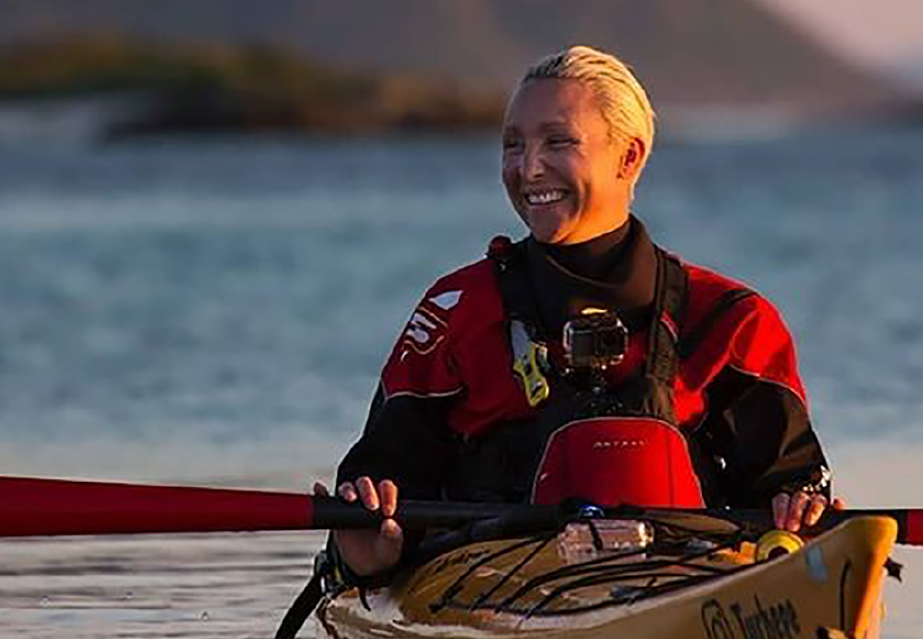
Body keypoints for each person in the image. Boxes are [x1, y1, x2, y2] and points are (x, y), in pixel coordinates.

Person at [318, 44, 841, 586]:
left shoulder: (731, 320)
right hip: (490, 590)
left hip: (686, 586)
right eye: (513, 145)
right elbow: (378, 475)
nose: (528, 167)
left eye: (557, 141)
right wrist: (369, 548)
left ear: (629, 157)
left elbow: (793, 483)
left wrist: (801, 510)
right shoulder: (456, 312)